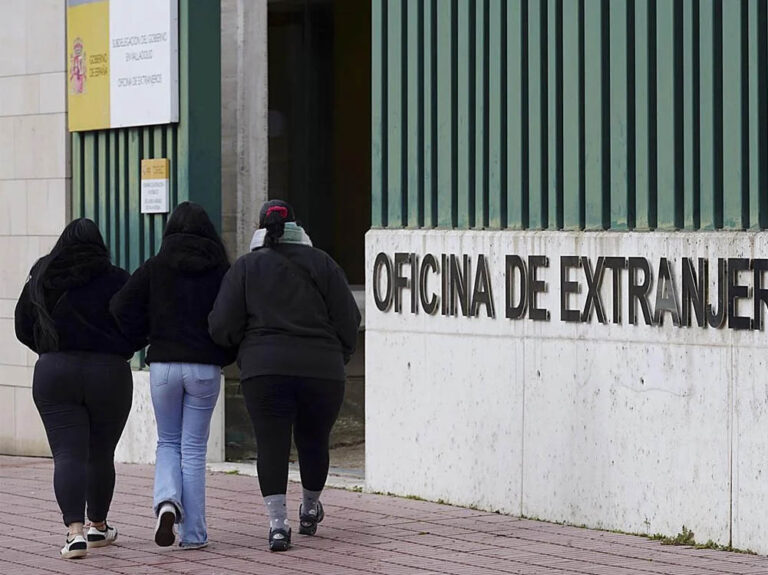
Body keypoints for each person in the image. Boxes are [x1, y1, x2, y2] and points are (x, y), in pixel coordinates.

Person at [208, 199, 361, 552]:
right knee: (314, 440)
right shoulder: (323, 263)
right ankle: (309, 509)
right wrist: (339, 356)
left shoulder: (246, 268)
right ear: (298, 227)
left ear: (260, 228)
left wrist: (242, 351)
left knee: (271, 445)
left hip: (265, 370)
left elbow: (221, 325)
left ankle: (278, 526)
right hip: (321, 370)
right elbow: (348, 319)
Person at [110, 202, 236, 550]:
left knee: (167, 442)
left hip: (164, 366)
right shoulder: (220, 270)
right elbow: (232, 317)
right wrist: (225, 352)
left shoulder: (156, 266)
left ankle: (167, 502)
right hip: (204, 368)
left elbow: (120, 306)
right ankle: (193, 534)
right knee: (193, 449)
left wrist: (143, 337)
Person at [14, 218, 142, 559]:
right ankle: (98, 527)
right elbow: (137, 324)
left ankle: (74, 534)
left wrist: (50, 350)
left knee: (68, 454)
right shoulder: (117, 278)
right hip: (109, 372)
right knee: (100, 453)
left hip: (56, 371)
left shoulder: (42, 274)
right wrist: (120, 348)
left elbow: (22, 325)